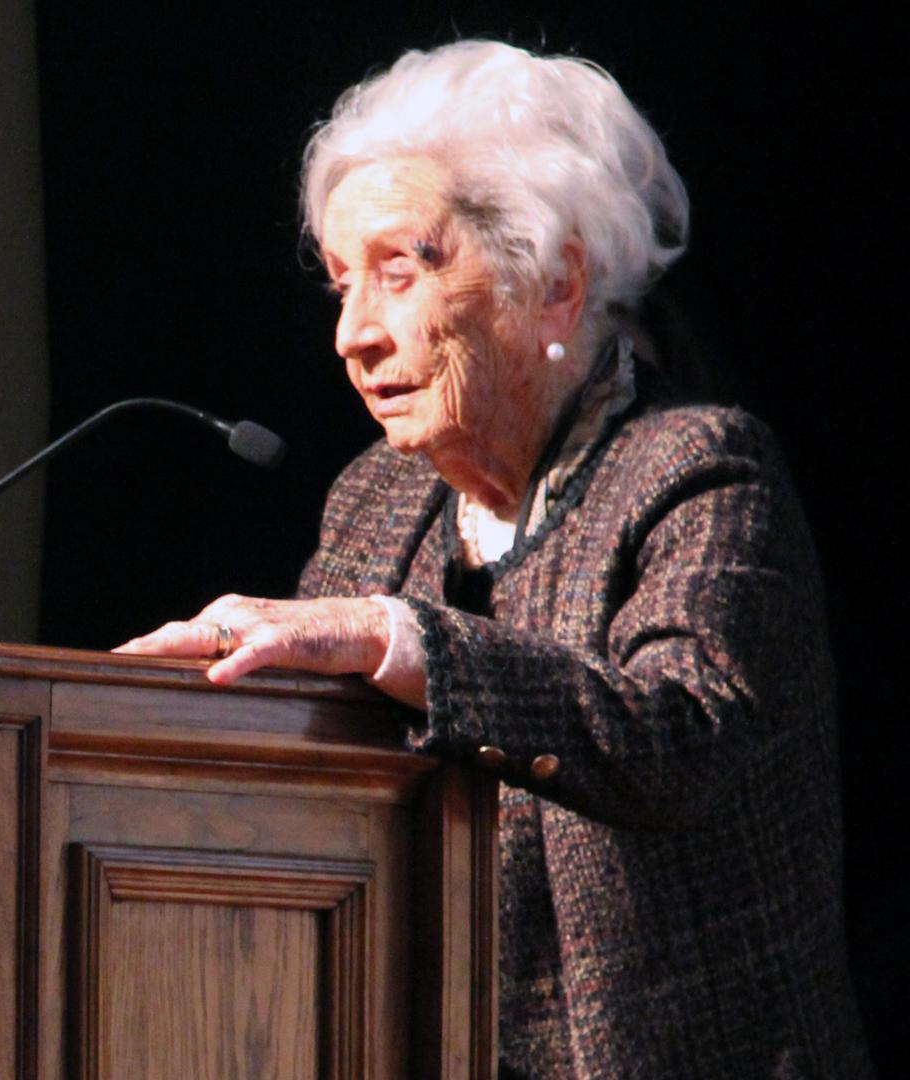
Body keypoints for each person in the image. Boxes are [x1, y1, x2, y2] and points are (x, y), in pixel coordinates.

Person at [114, 40, 873, 1078]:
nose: (353, 335)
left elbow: (676, 738)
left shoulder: (696, 468)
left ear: (554, 281)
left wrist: (392, 636)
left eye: (399, 271)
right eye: (341, 284)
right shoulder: (375, 502)